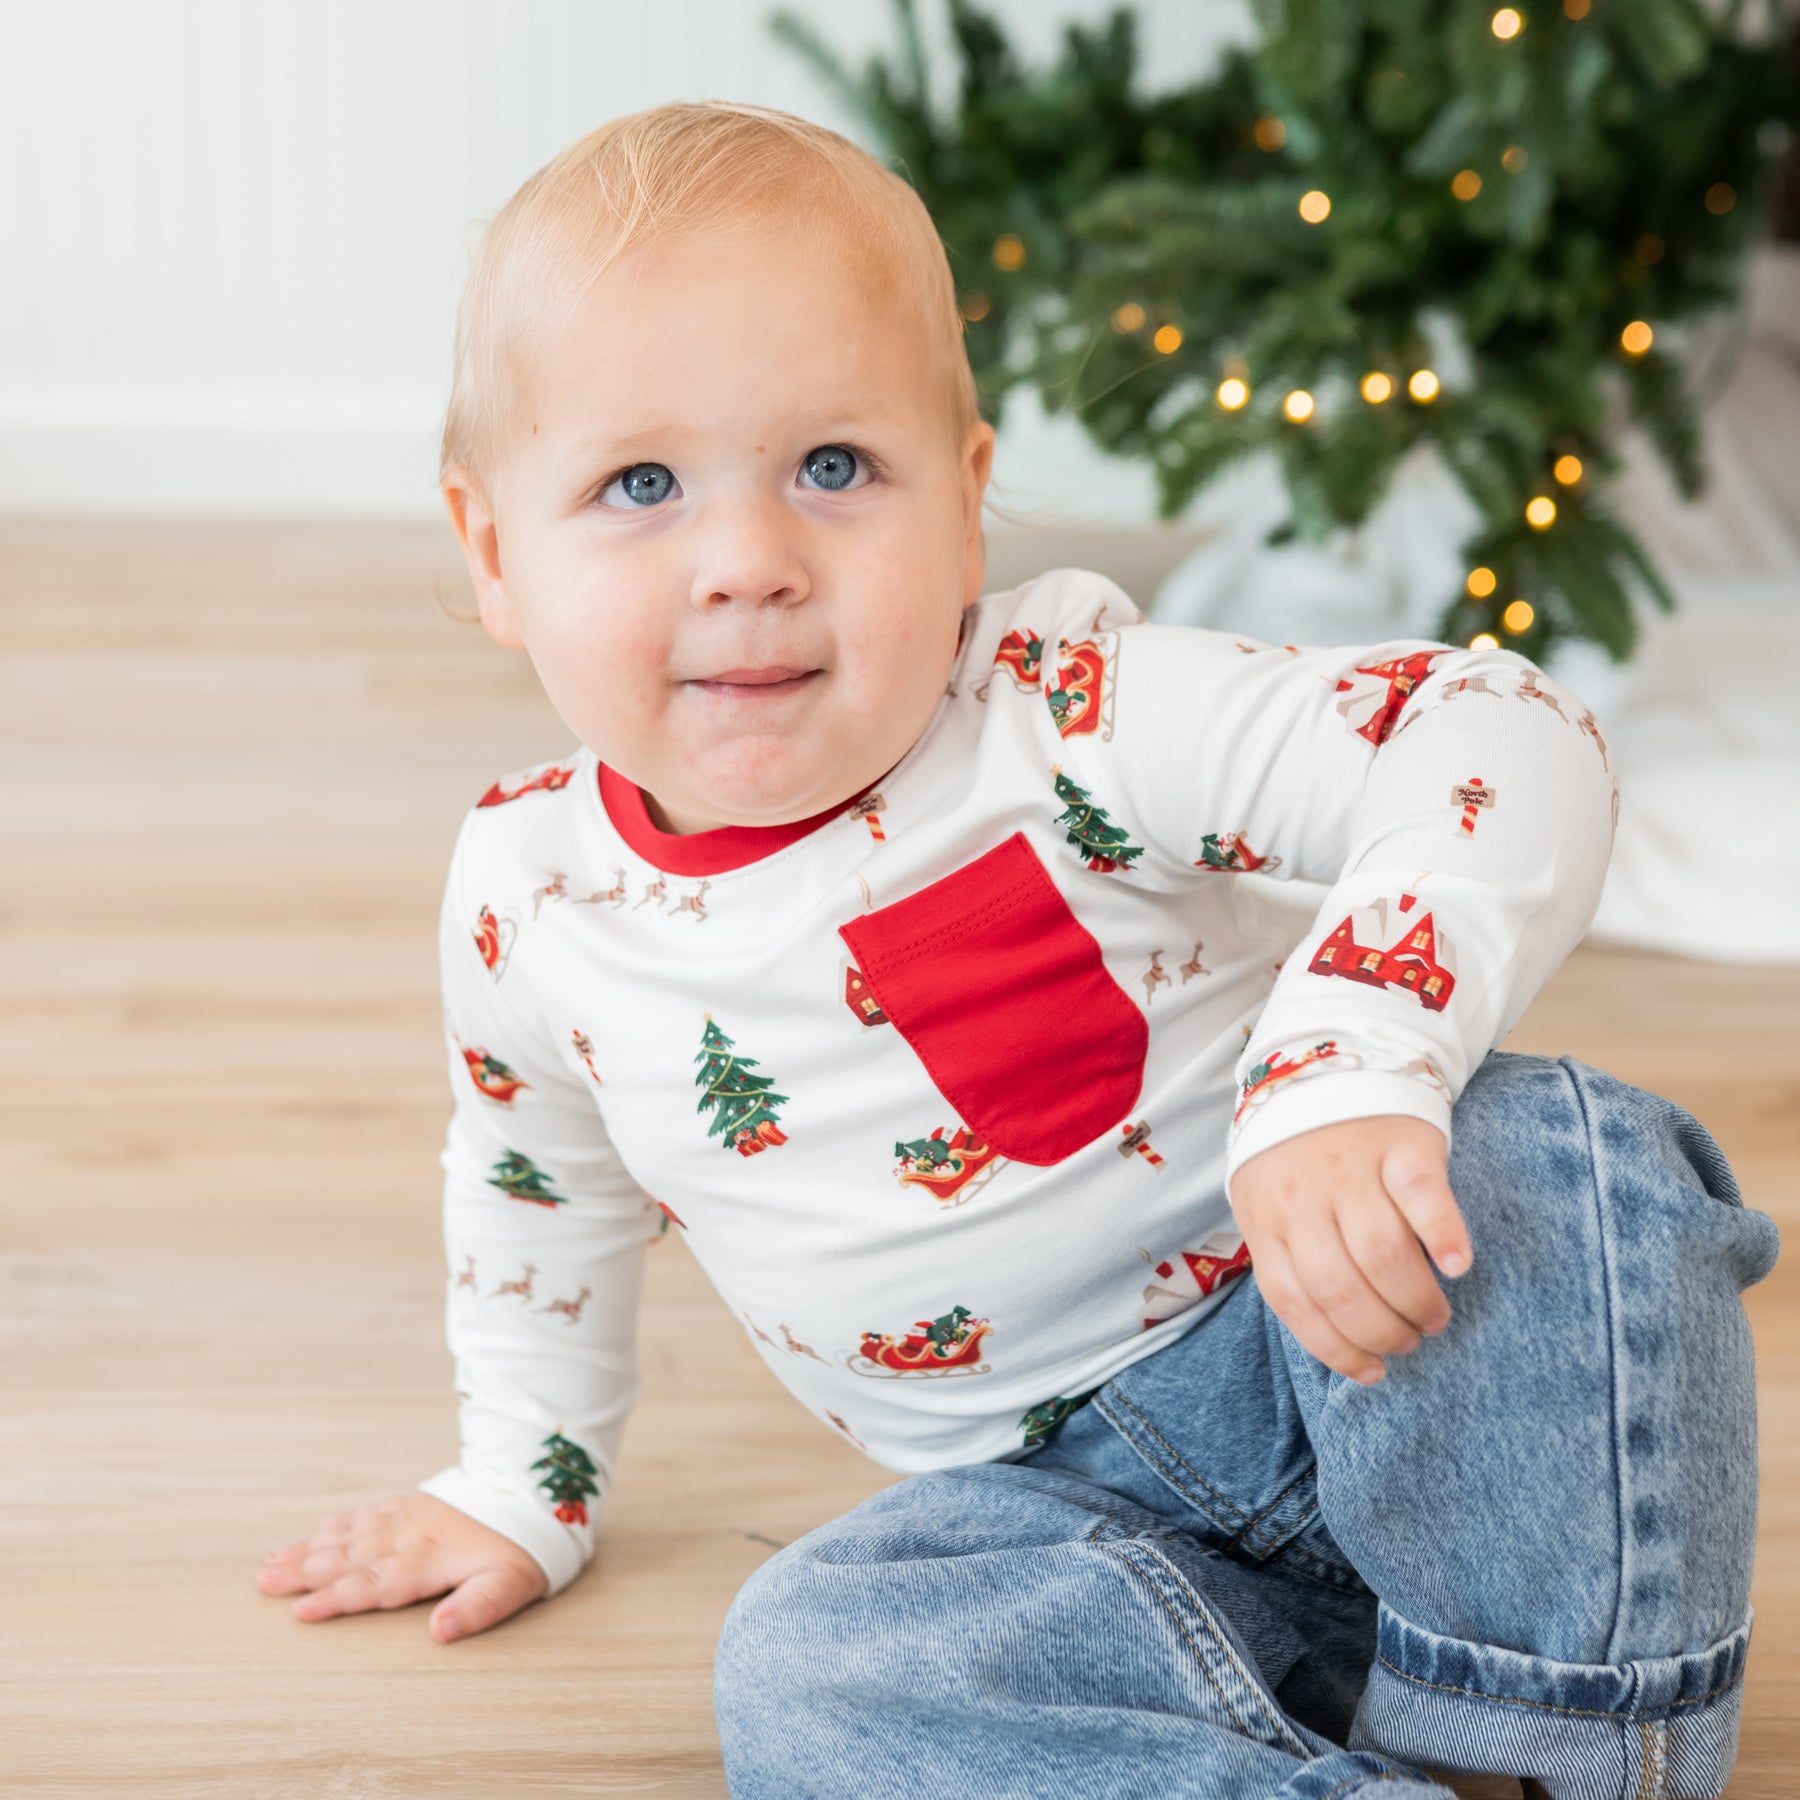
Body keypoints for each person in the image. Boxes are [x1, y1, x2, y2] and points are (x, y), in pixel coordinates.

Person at [255, 101, 1779, 1800]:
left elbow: (1495, 727)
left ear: (967, 499)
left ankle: (1562, 1740)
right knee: (810, 1667)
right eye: (641, 485)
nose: (750, 563)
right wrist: (519, 1483)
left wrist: (1352, 1065)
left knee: (1554, 1150)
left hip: (1370, 1343)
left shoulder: (1070, 711)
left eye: (835, 468)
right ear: (493, 554)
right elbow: (533, 1184)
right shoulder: (525, 893)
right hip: (1052, 1537)